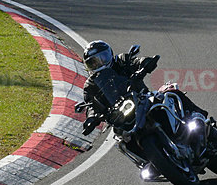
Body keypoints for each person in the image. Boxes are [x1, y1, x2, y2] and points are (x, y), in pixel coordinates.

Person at [80, 40, 208, 135]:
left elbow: (135, 61)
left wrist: (145, 63)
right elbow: (91, 104)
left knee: (169, 92)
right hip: (120, 114)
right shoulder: (90, 85)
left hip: (143, 97)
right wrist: (91, 118)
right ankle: (145, 161)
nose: (99, 64)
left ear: (109, 54)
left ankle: (199, 115)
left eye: (102, 58)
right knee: (121, 138)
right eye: (93, 62)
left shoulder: (121, 60)